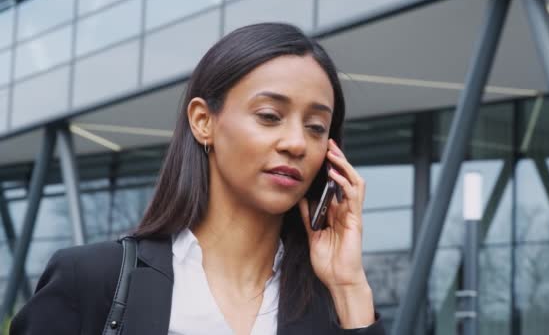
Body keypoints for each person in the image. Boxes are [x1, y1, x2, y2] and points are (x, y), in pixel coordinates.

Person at [10, 22, 386, 335]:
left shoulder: (333, 307)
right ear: (203, 122)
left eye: (316, 126)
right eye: (270, 116)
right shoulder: (92, 280)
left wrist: (349, 287)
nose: (296, 143)